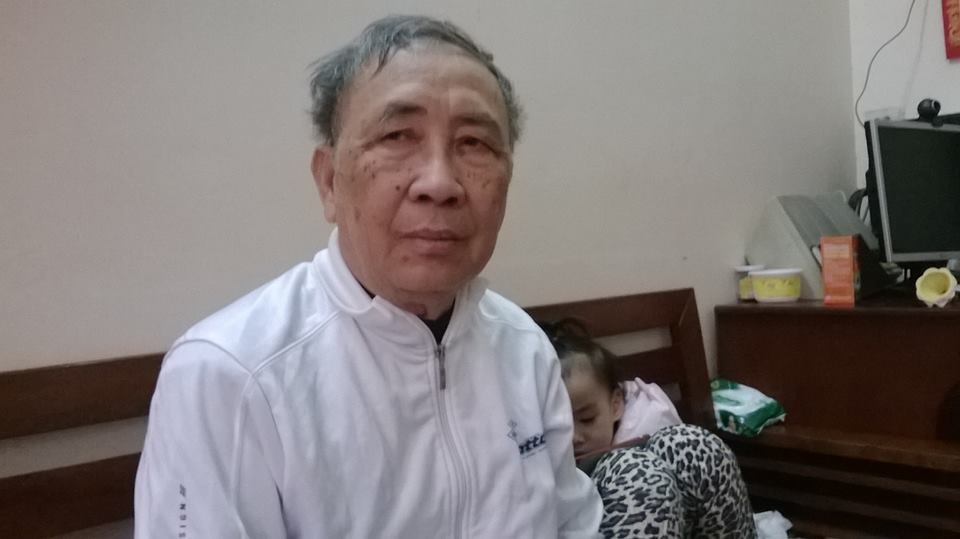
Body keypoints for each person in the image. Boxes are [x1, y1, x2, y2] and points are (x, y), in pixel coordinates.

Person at [134, 15, 602, 538]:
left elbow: (573, 526)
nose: (440, 183)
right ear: (329, 182)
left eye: (475, 143)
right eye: (397, 136)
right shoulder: (227, 378)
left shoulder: (523, 347)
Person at [539, 319, 757, 539]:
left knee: (698, 445)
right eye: (558, 427)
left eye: (587, 419)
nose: (574, 437)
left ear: (615, 405)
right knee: (636, 472)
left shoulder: (645, 419)